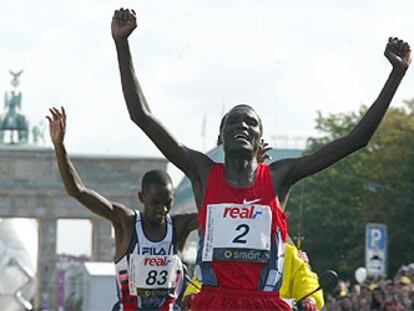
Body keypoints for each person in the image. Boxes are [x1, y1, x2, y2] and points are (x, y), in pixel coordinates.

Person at [112, 7, 411, 310]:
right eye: (233, 122)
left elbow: (356, 140)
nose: (241, 127)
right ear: (222, 137)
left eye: (250, 123)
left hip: (264, 303)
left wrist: (396, 75)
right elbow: (142, 116)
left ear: (258, 141)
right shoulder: (202, 171)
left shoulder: (280, 176)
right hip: (213, 302)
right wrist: (122, 44)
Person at [46, 107, 197, 310]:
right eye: (155, 203)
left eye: (168, 202)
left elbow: (220, 209)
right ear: (141, 198)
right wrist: (59, 146)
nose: (162, 209)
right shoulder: (126, 222)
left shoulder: (179, 225)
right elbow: (78, 191)